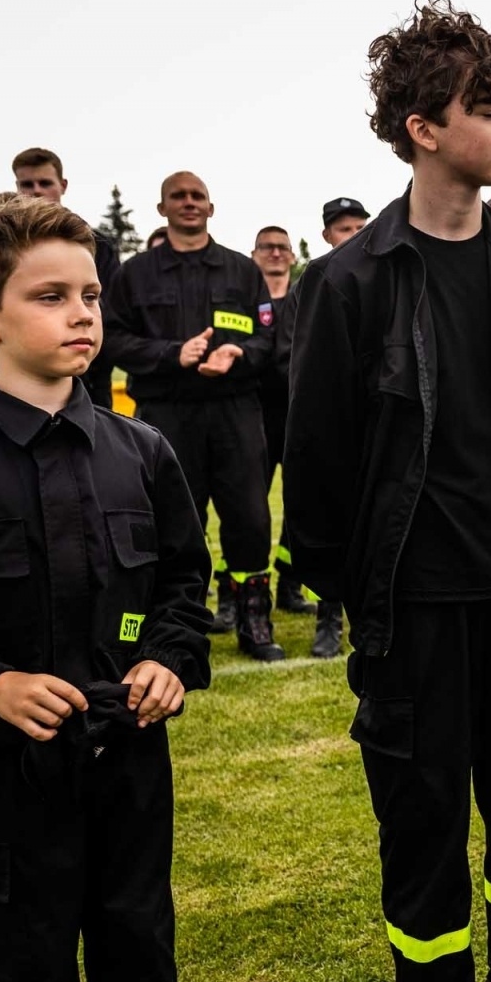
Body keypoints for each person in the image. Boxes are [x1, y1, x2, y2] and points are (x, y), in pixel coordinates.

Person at [283, 0, 491, 982]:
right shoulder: (347, 282)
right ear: (423, 126)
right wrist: (365, 592)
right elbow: (315, 470)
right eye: (490, 109)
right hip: (412, 611)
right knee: (421, 829)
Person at [0, 197, 211, 982]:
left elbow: (185, 582)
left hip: (130, 769)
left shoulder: (142, 451)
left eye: (90, 295)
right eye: (49, 296)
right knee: (30, 976)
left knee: (141, 960)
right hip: (6, 782)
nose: (80, 313)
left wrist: (169, 661)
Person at [99, 171, 284, 661]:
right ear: (161, 209)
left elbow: (268, 336)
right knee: (172, 522)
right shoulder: (136, 275)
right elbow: (111, 337)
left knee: (248, 515)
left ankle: (253, 618)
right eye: (177, 196)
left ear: (211, 207)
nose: (188, 203)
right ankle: (178, 625)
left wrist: (238, 355)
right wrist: (170, 354)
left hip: (234, 410)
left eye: (196, 195)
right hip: (165, 415)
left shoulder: (242, 272)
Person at [271, 198, 370, 661]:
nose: (352, 234)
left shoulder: (380, 275)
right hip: (328, 419)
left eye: (359, 226)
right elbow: (294, 354)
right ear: (328, 234)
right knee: (328, 517)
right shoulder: (313, 280)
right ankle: (328, 618)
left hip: (374, 420)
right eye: (343, 228)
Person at [12, 148, 123, 408]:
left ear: (62, 185)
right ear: (17, 187)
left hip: (89, 384)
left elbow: (112, 314)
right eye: (27, 184)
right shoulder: (3, 248)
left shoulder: (98, 245)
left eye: (45, 183)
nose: (37, 191)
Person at [250, 225, 316, 617]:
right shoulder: (244, 298)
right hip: (253, 419)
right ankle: (235, 593)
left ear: (292, 256)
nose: (275, 253)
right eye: (267, 247)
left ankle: (291, 583)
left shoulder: (305, 295)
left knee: (299, 506)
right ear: (254, 254)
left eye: (282, 247)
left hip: (296, 418)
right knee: (250, 509)